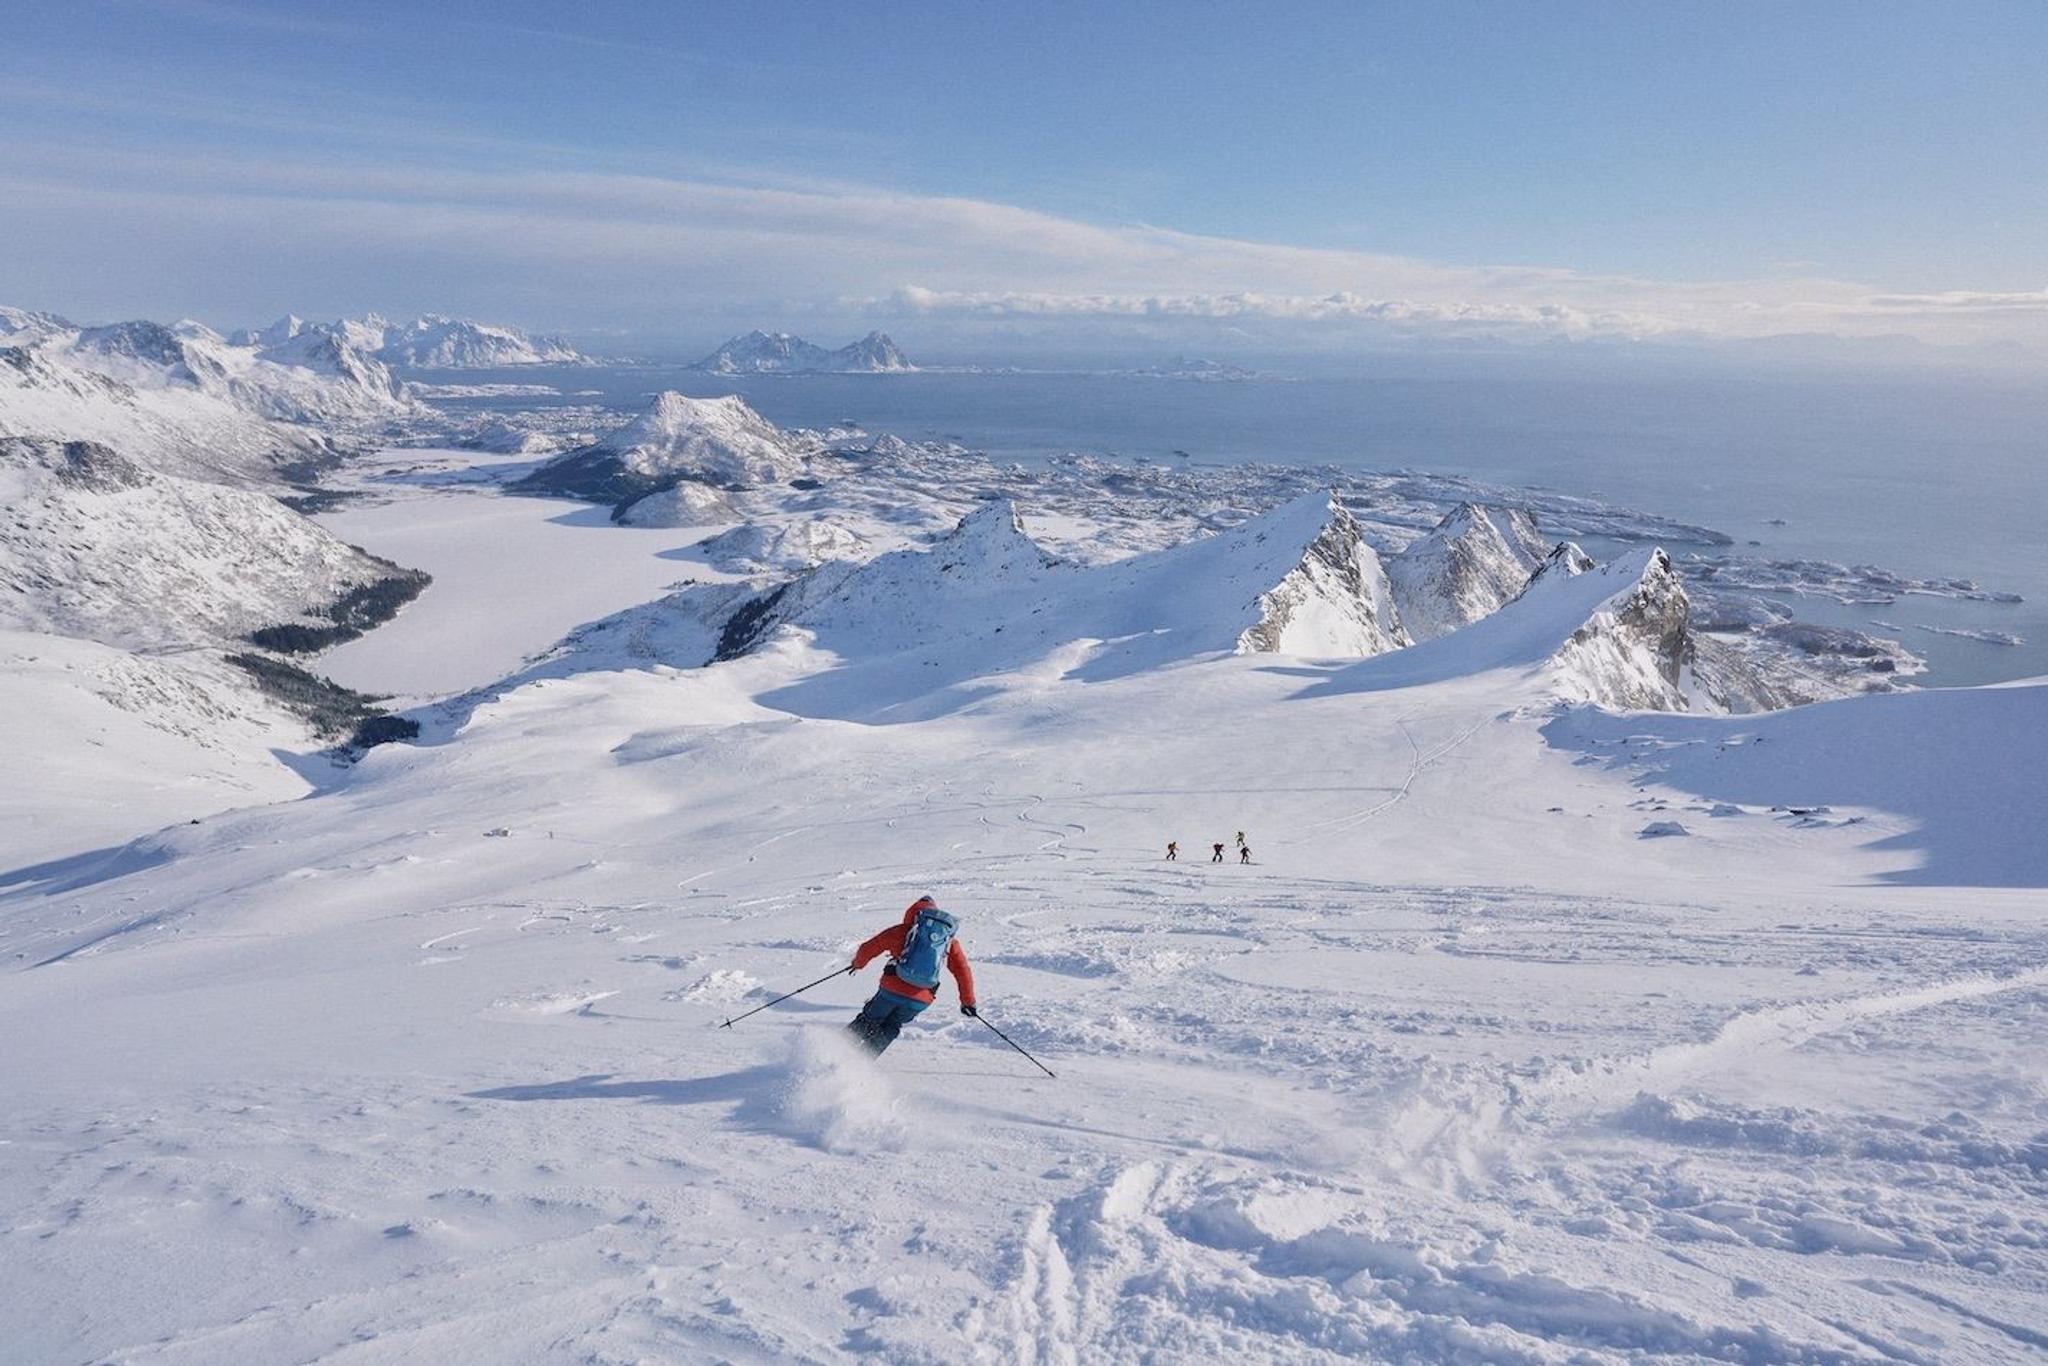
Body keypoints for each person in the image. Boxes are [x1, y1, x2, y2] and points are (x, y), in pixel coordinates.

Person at [846, 894, 977, 1055]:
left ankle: (837, 1051)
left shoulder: (902, 931)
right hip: (921, 998)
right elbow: (963, 972)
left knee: (869, 1019)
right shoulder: (948, 942)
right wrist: (968, 1003)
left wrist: (857, 964)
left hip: (892, 990)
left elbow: (869, 947)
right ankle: (861, 1061)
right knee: (892, 1026)